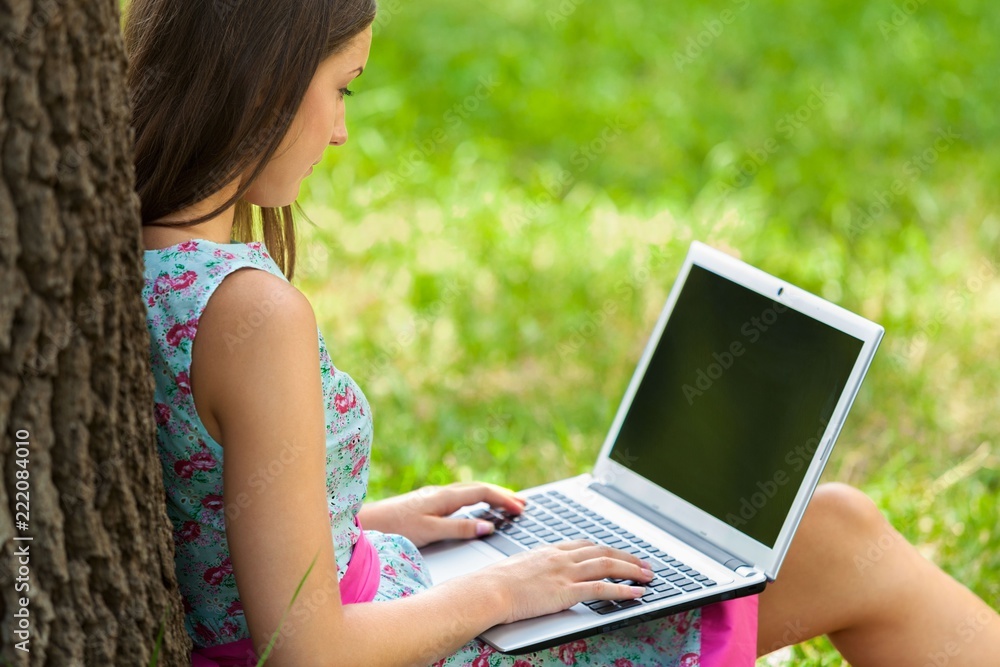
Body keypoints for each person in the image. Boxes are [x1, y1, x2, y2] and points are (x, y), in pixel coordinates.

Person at [127, 1, 1000, 665]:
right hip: (418, 645)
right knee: (843, 539)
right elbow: (309, 650)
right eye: (341, 87)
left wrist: (381, 522)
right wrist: (507, 589)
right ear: (264, 78)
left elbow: (211, 520)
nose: (342, 130)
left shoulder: (135, 260)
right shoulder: (252, 310)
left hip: (385, 585)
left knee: (835, 524)